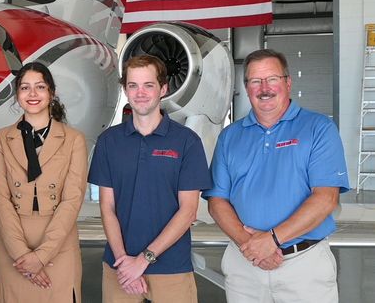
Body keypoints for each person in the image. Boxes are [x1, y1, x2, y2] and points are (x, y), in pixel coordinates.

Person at [203, 49, 349, 303]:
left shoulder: (319, 128)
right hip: (244, 264)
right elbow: (217, 201)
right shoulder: (230, 137)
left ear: (288, 82)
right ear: (246, 87)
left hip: (304, 266)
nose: (264, 88)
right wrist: (251, 245)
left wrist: (272, 240)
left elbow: (326, 199)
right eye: (255, 81)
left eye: (272, 79)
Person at [88, 55, 211, 303]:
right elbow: (107, 207)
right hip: (119, 269)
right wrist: (125, 263)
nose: (140, 93)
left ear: (163, 88)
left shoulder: (187, 142)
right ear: (125, 90)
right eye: (133, 85)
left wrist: (142, 261)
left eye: (148, 85)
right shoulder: (109, 142)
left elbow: (188, 212)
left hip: (171, 268)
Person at [0, 62, 88, 302]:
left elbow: (72, 200)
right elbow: (0, 199)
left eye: (40, 87)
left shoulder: (74, 139)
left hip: (59, 247)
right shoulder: (1, 139)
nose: (32, 94)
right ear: (17, 95)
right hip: (12, 247)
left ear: (51, 93)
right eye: (25, 88)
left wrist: (41, 257)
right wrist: (23, 256)